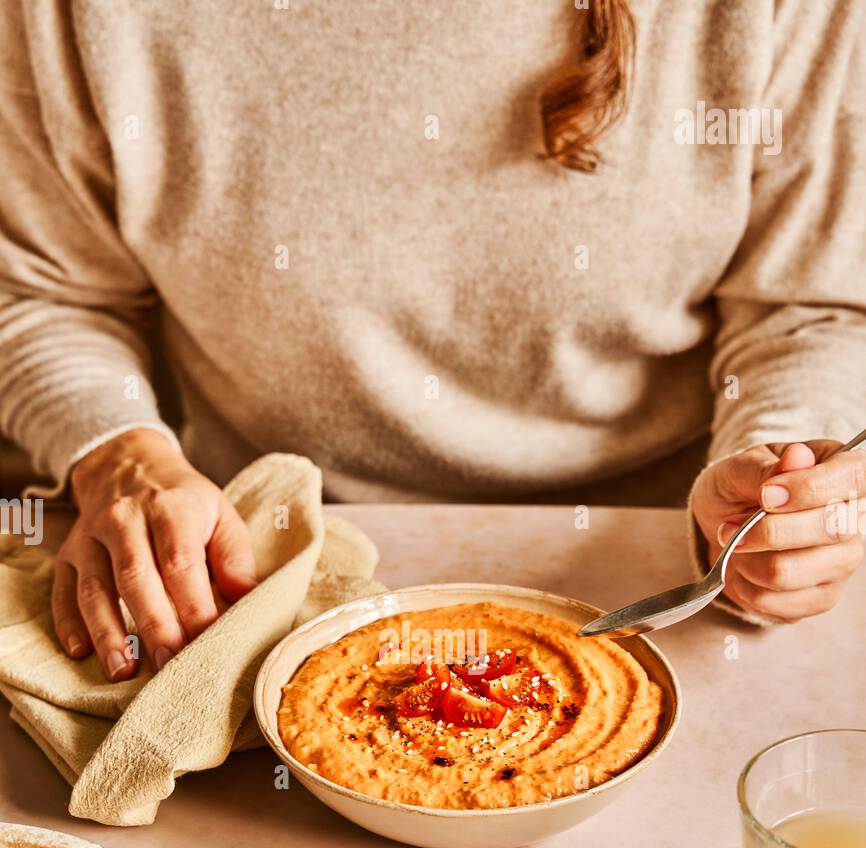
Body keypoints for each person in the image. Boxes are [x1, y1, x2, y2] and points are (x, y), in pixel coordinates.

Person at [0, 0, 863, 682]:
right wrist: (121, 456)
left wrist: (773, 496)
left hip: (664, 580)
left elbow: (806, 309)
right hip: (246, 575)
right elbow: (43, 289)